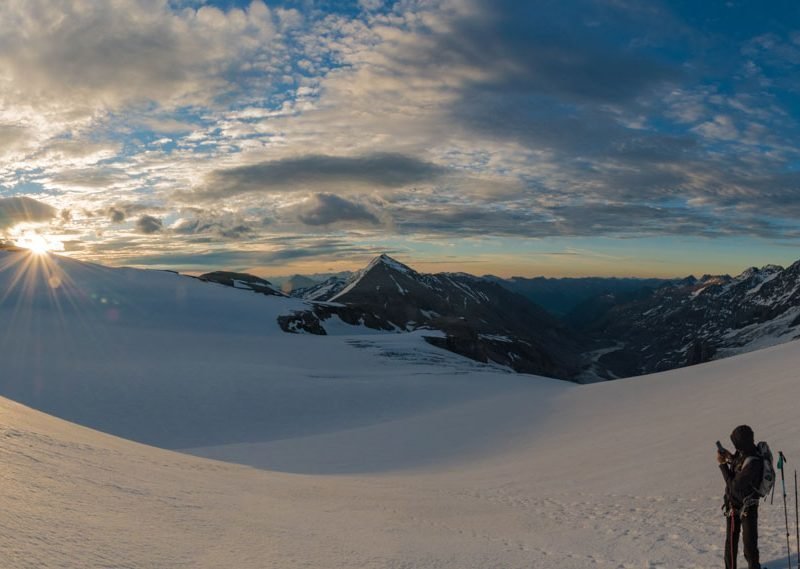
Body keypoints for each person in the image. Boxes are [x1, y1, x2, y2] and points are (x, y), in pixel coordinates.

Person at [718, 424, 763, 569]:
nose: (735, 446)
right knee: (732, 543)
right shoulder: (746, 451)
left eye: (736, 442)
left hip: (747, 506)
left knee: (749, 546)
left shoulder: (754, 462)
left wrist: (723, 465)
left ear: (742, 442)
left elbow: (735, 486)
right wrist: (729, 457)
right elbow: (739, 464)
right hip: (734, 504)